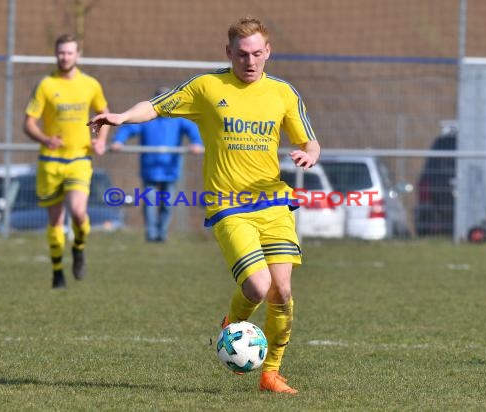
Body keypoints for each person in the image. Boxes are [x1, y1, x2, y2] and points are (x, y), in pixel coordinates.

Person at [88, 17, 320, 394]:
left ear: (268, 52)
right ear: (228, 53)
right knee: (258, 287)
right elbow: (156, 107)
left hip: (274, 201)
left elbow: (310, 140)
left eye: (257, 53)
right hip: (229, 205)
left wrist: (309, 155)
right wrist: (121, 118)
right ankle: (234, 322)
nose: (250, 61)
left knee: (283, 292)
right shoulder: (207, 87)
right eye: (242, 54)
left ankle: (271, 374)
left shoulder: (283, 93)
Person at [23, 34, 110, 289]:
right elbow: (28, 123)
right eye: (61, 53)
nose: (65, 57)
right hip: (50, 162)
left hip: (79, 158)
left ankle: (79, 247)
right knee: (55, 221)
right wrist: (45, 138)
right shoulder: (46, 85)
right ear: (55, 54)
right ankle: (58, 271)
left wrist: (101, 140)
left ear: (78, 55)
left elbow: (103, 114)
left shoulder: (90, 84)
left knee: (78, 212)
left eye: (70, 53)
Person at [111, 89, 204, 242]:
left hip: (170, 169)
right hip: (150, 169)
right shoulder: (147, 119)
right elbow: (129, 128)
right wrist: (118, 141)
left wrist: (197, 143)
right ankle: (151, 234)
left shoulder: (178, 118)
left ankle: (162, 233)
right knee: (149, 203)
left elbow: (193, 131)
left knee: (167, 204)